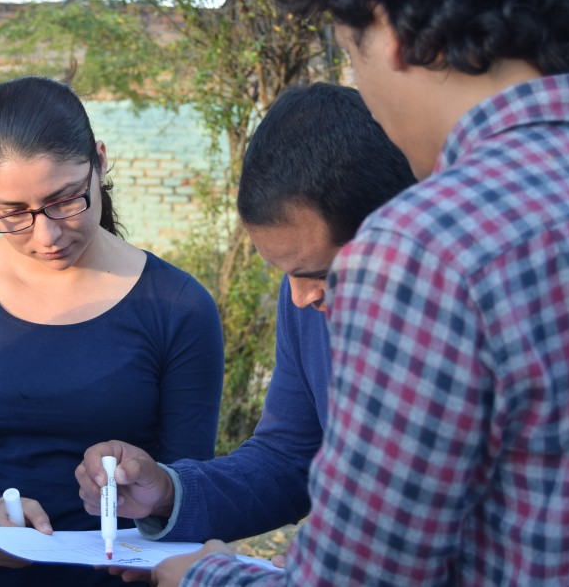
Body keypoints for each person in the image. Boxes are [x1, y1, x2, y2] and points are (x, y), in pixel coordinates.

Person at [175, 0, 569, 584]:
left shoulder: (427, 247)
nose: (361, 91)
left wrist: (202, 574)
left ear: (388, 26)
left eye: (347, 52)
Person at [0, 74, 226, 586]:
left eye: (65, 200)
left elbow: (188, 491)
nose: (46, 234)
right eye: (12, 213)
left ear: (100, 162)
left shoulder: (177, 306)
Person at [75, 83, 415, 560]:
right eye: (285, 274)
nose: (299, 298)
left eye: (319, 273)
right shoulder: (304, 300)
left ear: (392, 225)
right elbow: (289, 457)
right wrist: (167, 493)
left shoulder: (461, 313)